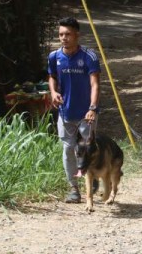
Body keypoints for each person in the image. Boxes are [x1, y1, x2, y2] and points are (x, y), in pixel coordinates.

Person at [47, 17, 101, 203]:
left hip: (86, 113)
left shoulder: (89, 56)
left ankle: (92, 181)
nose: (64, 38)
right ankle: (73, 189)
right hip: (65, 113)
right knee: (68, 149)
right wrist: (53, 92)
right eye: (61, 34)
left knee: (88, 148)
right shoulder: (54, 57)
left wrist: (92, 108)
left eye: (68, 34)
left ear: (77, 34)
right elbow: (52, 77)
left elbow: (95, 84)